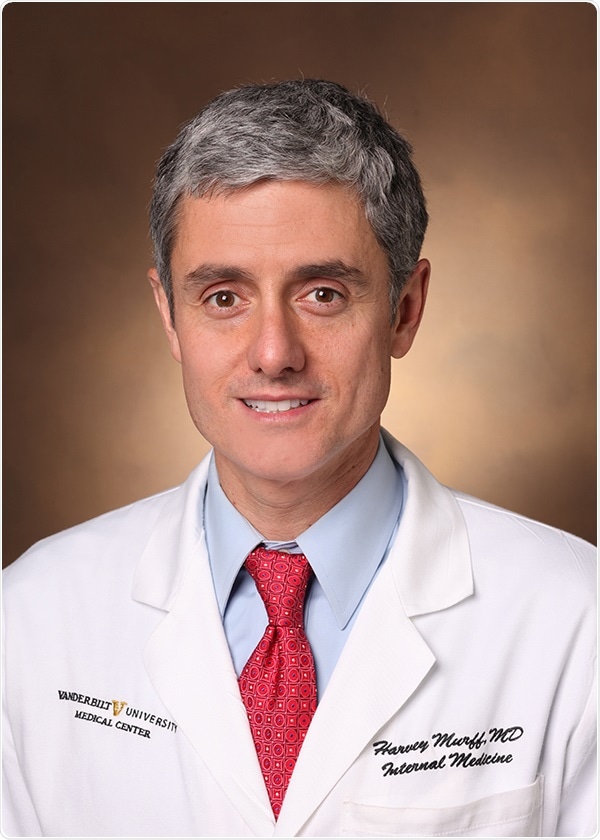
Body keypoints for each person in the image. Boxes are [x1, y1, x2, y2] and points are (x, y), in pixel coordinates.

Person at [2, 79, 595, 838]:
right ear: (170, 317)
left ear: (404, 310)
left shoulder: (575, 618)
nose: (274, 354)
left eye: (323, 293)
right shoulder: (31, 618)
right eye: (224, 297)